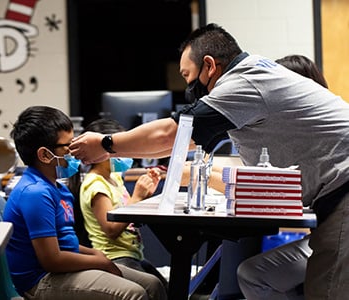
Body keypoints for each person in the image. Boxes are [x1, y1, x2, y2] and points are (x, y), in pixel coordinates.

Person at [70, 23, 349, 300]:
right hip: (336, 194)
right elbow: (180, 142)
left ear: (209, 66)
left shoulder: (243, 82)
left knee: (325, 291)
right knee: (265, 276)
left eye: (188, 76)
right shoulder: (254, 75)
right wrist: (113, 151)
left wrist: (106, 144)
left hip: (343, 190)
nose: (188, 87)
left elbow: (170, 134)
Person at [3, 106, 167, 300]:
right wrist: (100, 262)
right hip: (41, 280)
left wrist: (97, 256)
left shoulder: (58, 188)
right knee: (134, 293)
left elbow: (66, 243)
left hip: (60, 269)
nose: (74, 151)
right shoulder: (35, 193)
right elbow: (52, 260)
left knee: (153, 285)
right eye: (68, 146)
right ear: (45, 155)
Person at [236, 54, 329, 300]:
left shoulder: (313, 134)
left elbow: (281, 187)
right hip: (328, 232)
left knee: (252, 274)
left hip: (338, 237)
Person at [71, 118, 168, 290]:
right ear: (99, 152)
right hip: (116, 258)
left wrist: (145, 194)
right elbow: (112, 229)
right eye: (117, 148)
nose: (124, 153)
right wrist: (136, 197)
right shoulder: (95, 184)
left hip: (134, 254)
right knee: (154, 289)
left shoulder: (114, 178)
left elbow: (129, 215)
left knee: (166, 289)